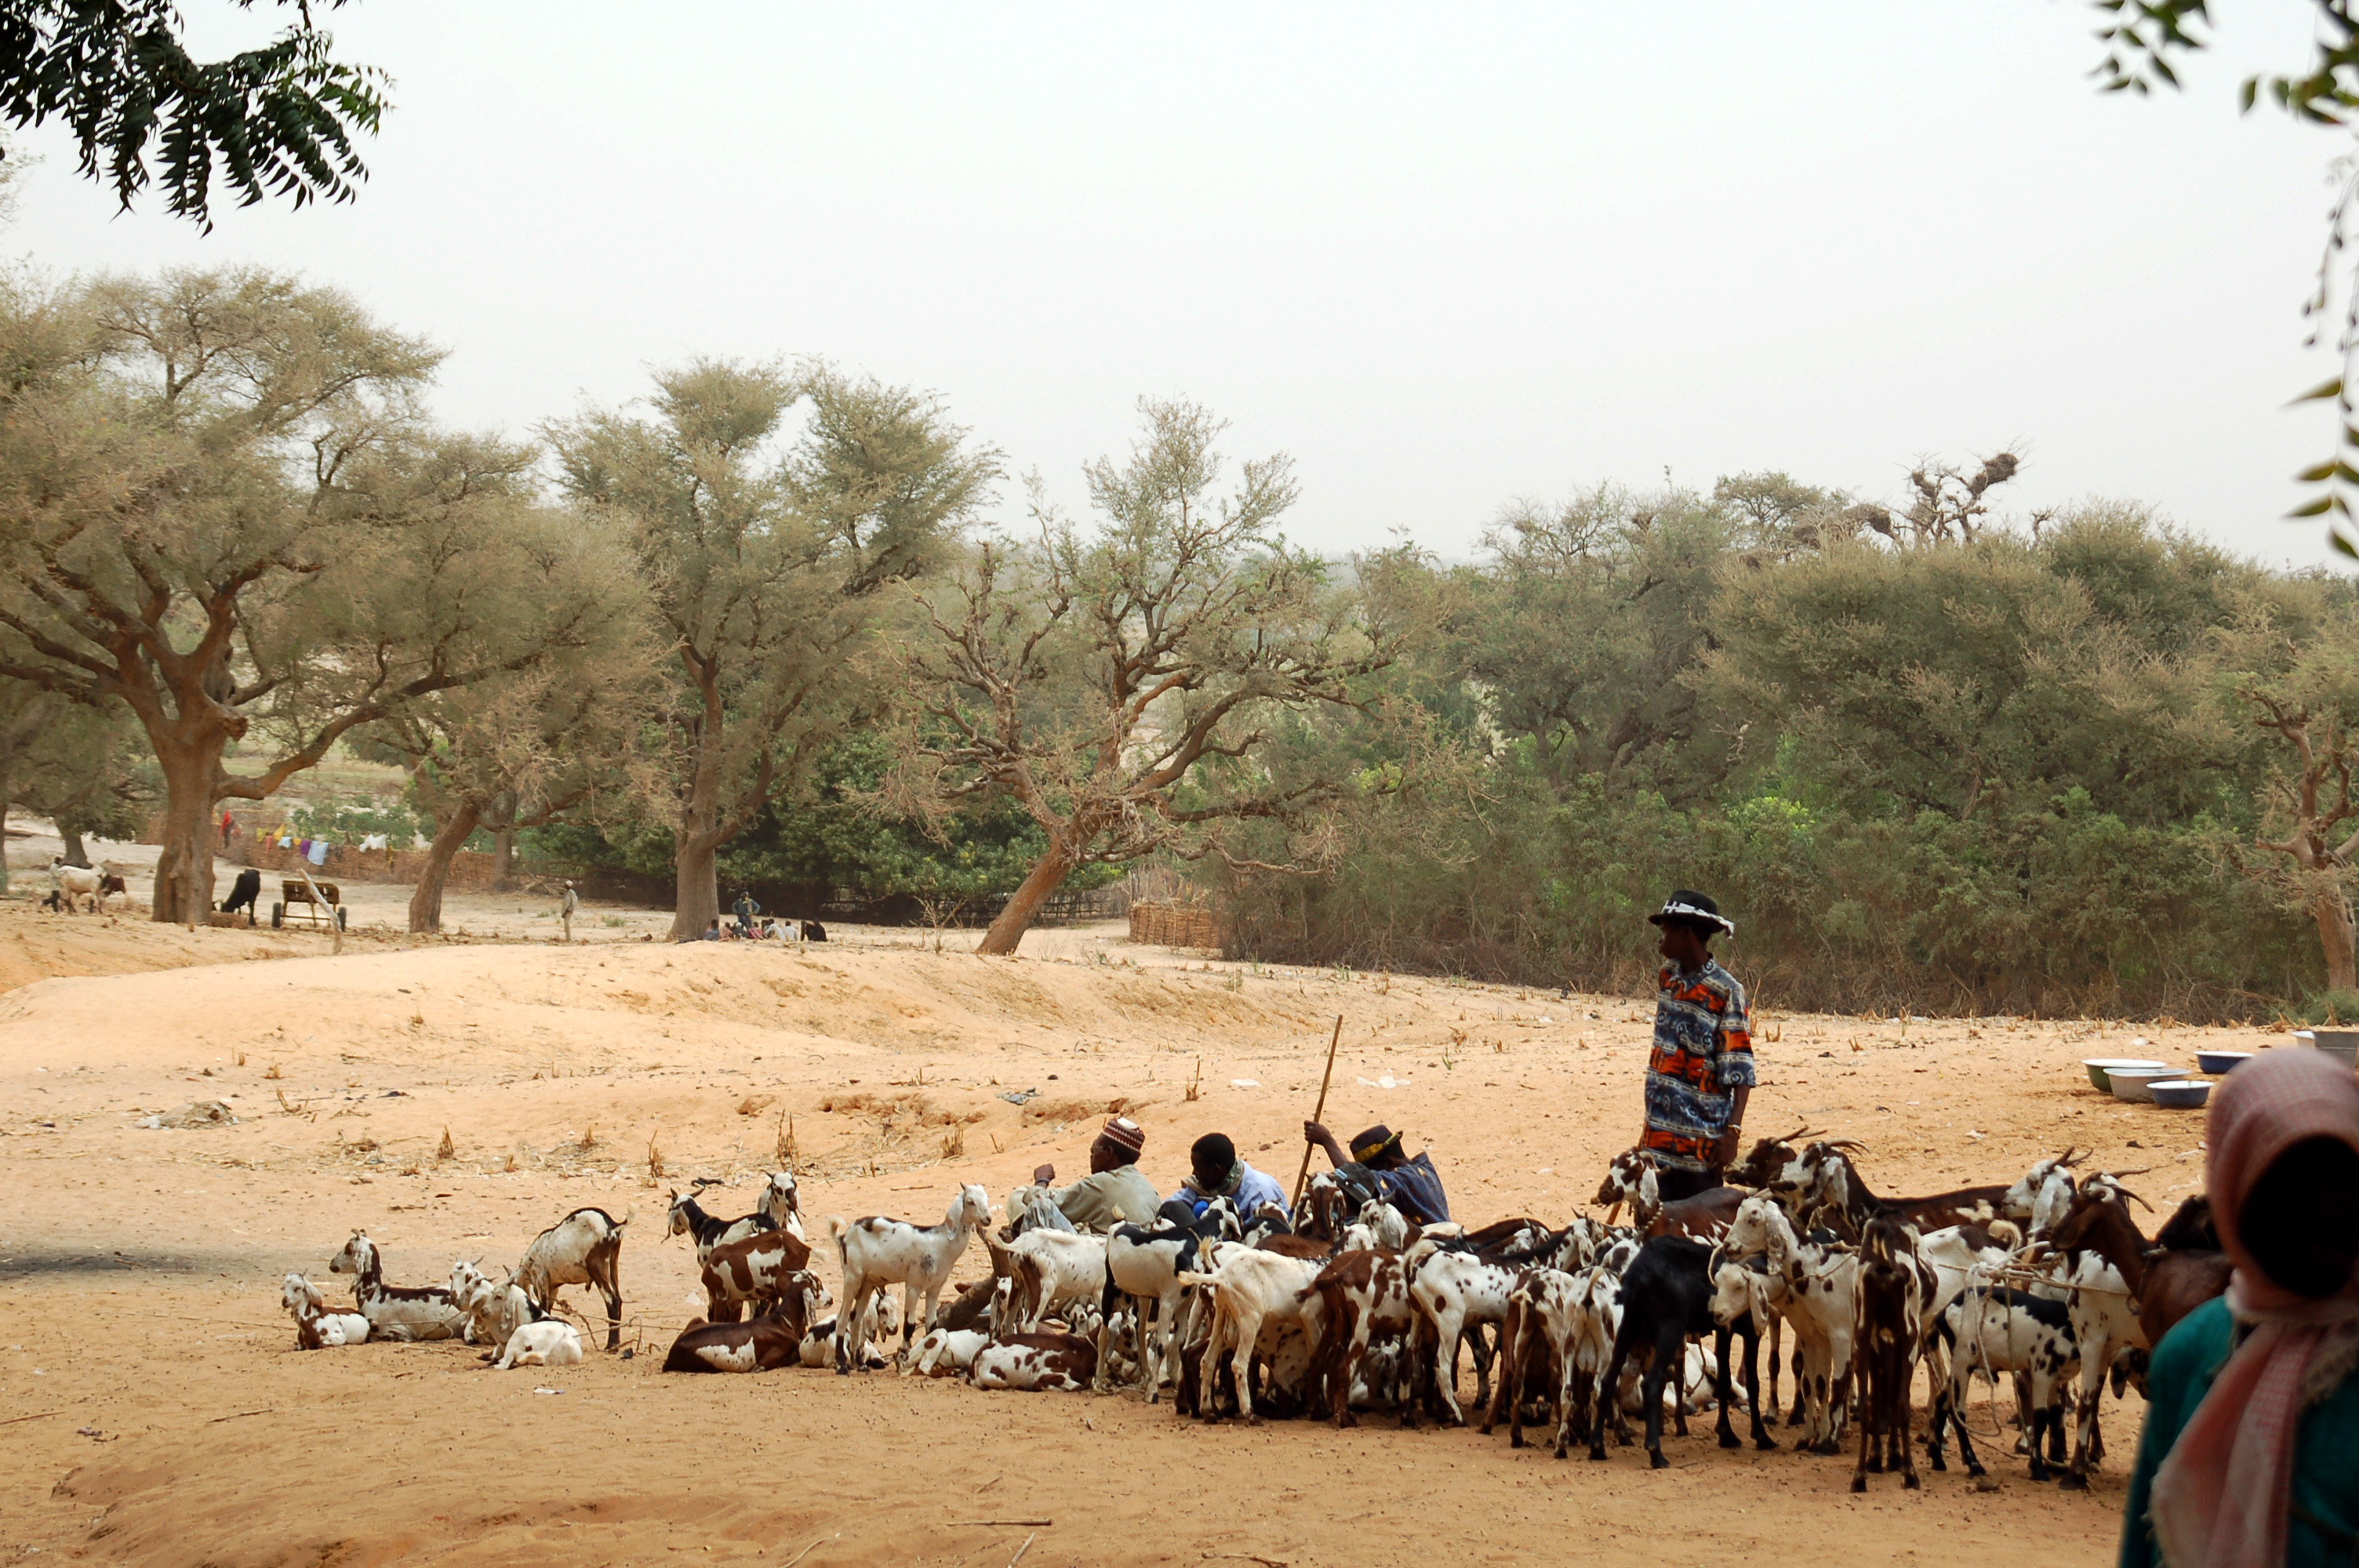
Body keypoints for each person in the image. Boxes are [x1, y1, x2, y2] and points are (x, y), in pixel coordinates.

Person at [2119, 1047, 2359, 1568]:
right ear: (2229, 1199)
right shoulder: (2187, 1357)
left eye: (2339, 1182)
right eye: (2284, 1190)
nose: (2316, 1212)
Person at [1638, 889, 1754, 1201]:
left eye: (1665, 931)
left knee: (1695, 1243)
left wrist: (1733, 1132)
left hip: (1700, 1152)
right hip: (1657, 1145)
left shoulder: (1726, 990)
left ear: (1686, 933)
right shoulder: (1668, 978)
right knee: (1652, 1240)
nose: (1660, 940)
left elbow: (1740, 1069)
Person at [1018, 1116, 1161, 1232]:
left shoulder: (1102, 1183)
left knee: (1034, 1204)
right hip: (1137, 1258)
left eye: (1094, 1150)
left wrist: (1041, 1181)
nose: (1091, 1157)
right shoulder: (1150, 1189)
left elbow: (1047, 1206)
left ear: (1109, 1153)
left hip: (1106, 1259)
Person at [1303, 1121, 1450, 1223]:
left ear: (1389, 1163)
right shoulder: (1423, 1167)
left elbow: (1356, 1181)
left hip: (1431, 1248)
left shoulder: (1403, 1180)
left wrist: (1328, 1141)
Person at [1169, 1132, 1288, 1221]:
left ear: (1216, 1170)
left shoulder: (1259, 1197)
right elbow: (1173, 1204)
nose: (1194, 1174)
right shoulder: (1207, 1183)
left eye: (1198, 1170)